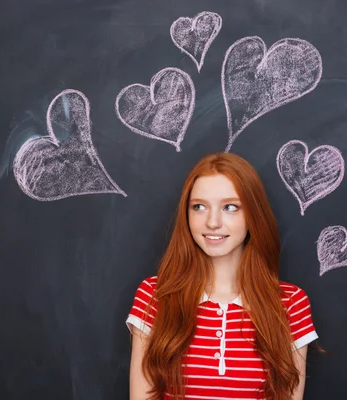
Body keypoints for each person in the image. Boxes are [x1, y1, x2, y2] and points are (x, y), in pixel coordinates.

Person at [126, 152, 319, 400]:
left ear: (253, 215)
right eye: (199, 207)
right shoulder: (155, 295)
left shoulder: (291, 303)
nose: (213, 222)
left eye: (230, 207)